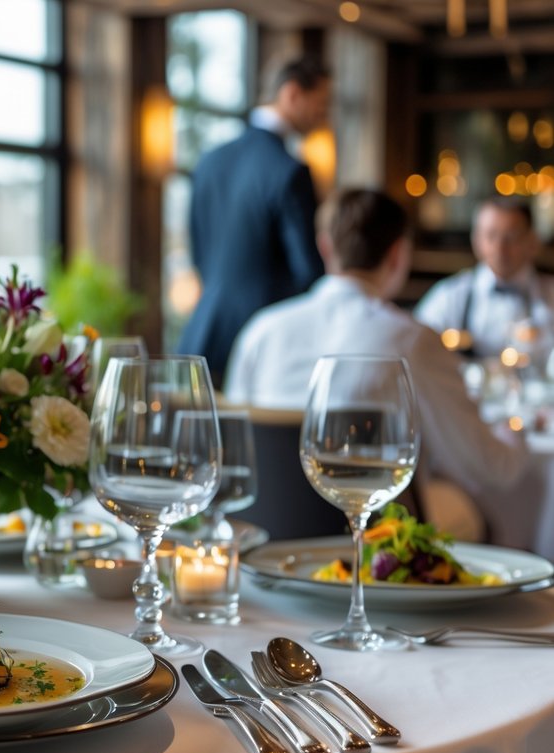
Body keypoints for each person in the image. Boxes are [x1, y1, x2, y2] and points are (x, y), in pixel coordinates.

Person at [224, 188, 527, 542]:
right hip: (376, 539)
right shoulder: (413, 342)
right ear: (399, 254)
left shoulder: (260, 330)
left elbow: (238, 452)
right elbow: (489, 467)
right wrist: (516, 432)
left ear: (324, 246)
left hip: (268, 534)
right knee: (472, 513)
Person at [178, 55, 330, 383]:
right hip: (264, 348)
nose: (323, 116)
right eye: (321, 104)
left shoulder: (209, 161)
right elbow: (308, 272)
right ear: (292, 95)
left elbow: (199, 252)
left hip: (204, 334)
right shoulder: (290, 172)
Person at [413, 198, 554, 362]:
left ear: (532, 241)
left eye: (511, 237)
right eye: (491, 235)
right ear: (476, 240)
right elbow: (415, 350)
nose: (500, 248)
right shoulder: (449, 296)